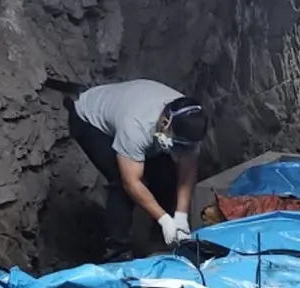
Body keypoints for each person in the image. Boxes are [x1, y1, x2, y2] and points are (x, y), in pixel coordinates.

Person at [65, 79, 208, 261]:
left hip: (143, 124)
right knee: (120, 183)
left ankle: (162, 241)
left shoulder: (190, 123)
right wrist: (164, 219)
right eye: (177, 145)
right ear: (165, 123)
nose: (180, 150)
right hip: (90, 121)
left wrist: (180, 215)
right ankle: (117, 253)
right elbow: (131, 182)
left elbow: (187, 170)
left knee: (166, 175)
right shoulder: (135, 125)